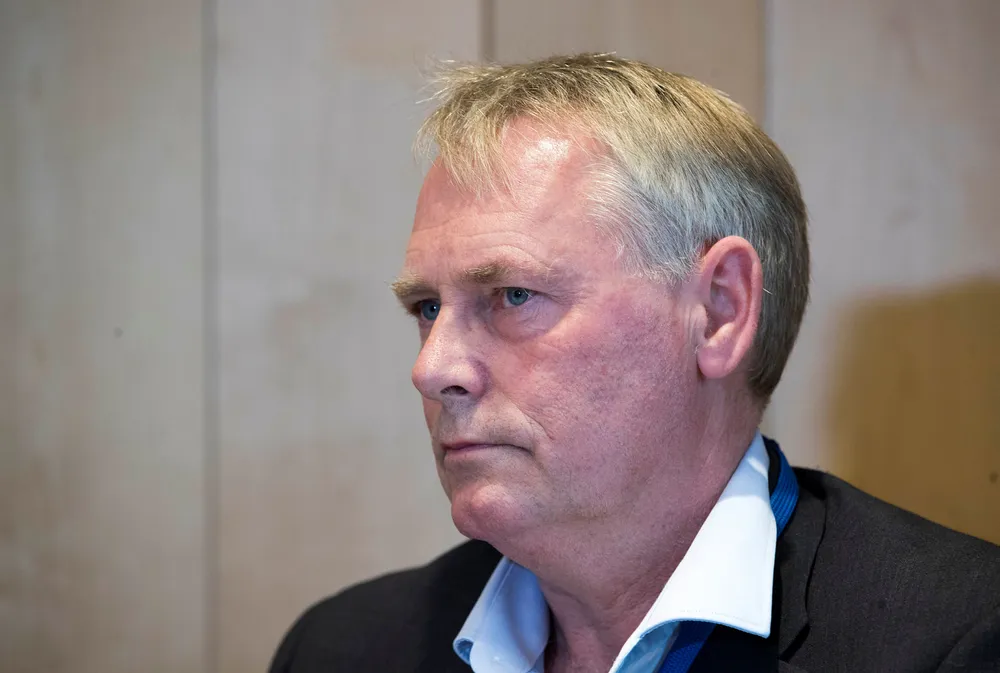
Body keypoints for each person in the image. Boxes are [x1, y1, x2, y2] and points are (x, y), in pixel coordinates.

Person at [268, 54, 1000, 673]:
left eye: (513, 295)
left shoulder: (956, 640)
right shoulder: (343, 649)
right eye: (427, 307)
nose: (433, 369)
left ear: (719, 311)